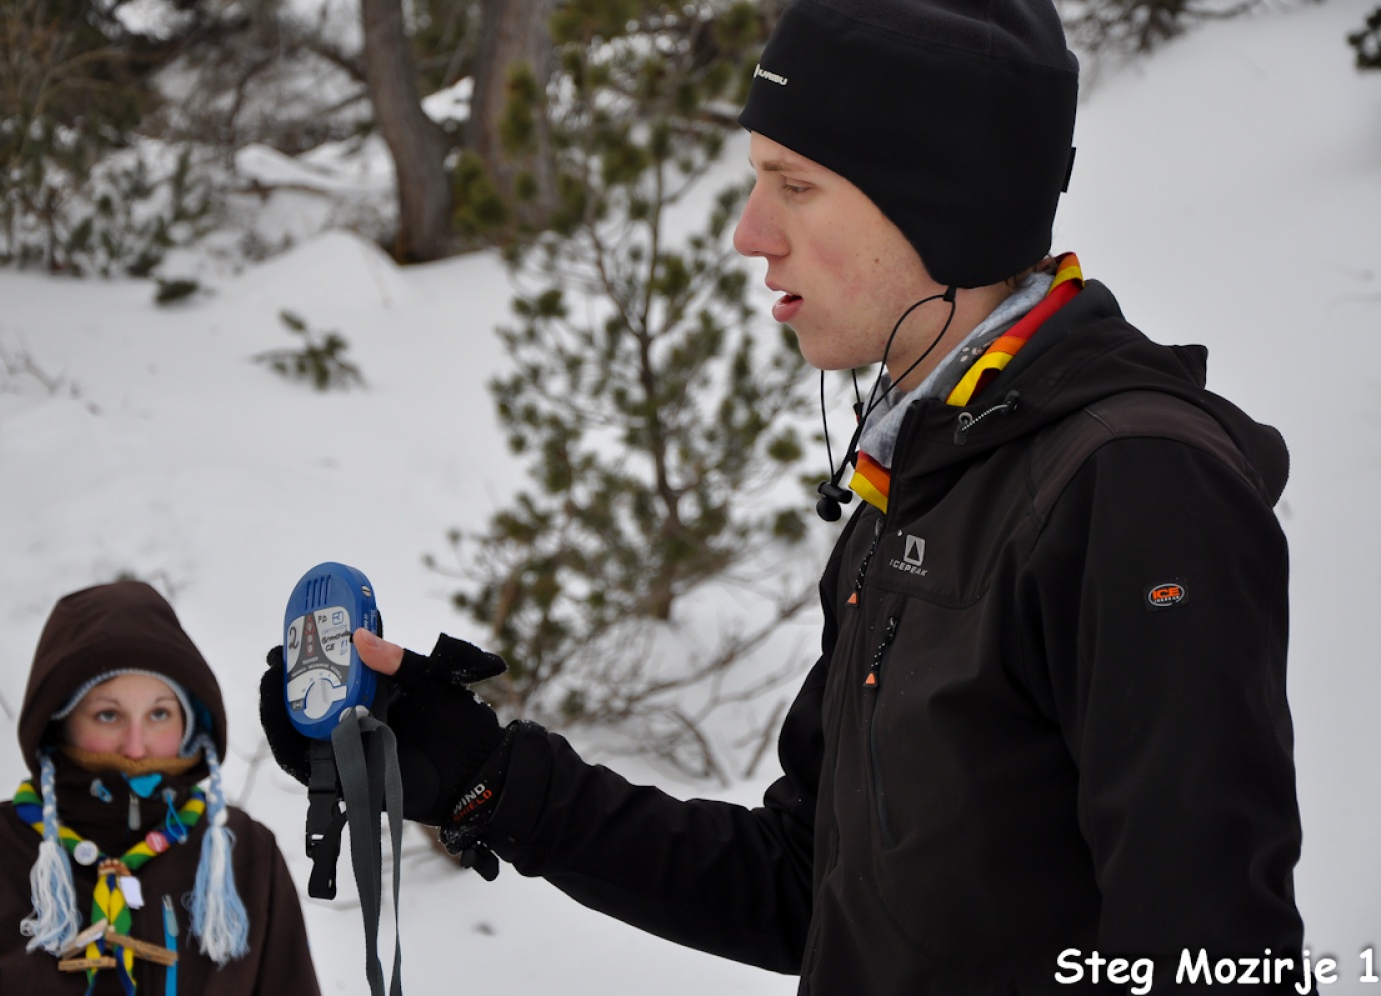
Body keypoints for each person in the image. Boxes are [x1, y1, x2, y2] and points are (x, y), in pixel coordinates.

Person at [261, 0, 1308, 990]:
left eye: (794, 183)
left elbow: (1210, 954)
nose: (750, 232)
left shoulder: (1133, 486)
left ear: (946, 193)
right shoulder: (924, 482)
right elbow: (810, 886)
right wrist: (486, 775)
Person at [0, 580, 321, 996]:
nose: (135, 746)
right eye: (107, 715)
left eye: (159, 714)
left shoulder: (245, 854)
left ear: (191, 724)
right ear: (59, 720)